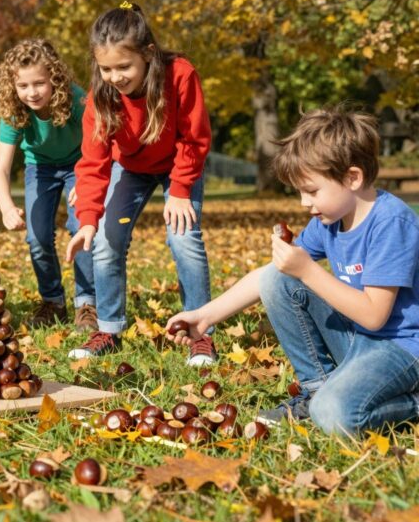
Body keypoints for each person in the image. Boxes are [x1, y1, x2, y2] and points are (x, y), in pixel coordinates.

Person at [167, 108, 419, 434]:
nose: (303, 203)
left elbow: (374, 316)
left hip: (401, 350)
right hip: (358, 340)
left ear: (352, 178)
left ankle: (409, 402)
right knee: (278, 276)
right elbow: (269, 276)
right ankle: (316, 387)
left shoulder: (390, 222)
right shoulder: (329, 221)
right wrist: (204, 316)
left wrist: (309, 271)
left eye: (312, 191)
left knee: (334, 416)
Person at [64, 2, 215, 365]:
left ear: (148, 54)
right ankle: (109, 329)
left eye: (123, 66)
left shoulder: (179, 74)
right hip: (130, 166)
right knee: (104, 240)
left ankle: (200, 332)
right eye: (106, 68)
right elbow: (93, 161)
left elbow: (195, 139)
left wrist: (179, 191)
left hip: (180, 163)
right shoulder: (101, 96)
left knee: (184, 238)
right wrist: (87, 219)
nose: (115, 76)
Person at [0, 39, 95, 330]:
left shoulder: (76, 100)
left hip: (80, 164)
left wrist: (87, 178)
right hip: (41, 167)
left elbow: (100, 144)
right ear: (13, 86)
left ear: (55, 80)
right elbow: (0, 168)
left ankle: (87, 303)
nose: (31, 93)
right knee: (37, 238)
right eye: (23, 86)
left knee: (81, 229)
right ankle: (53, 301)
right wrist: (6, 207)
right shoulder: (15, 110)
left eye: (39, 83)